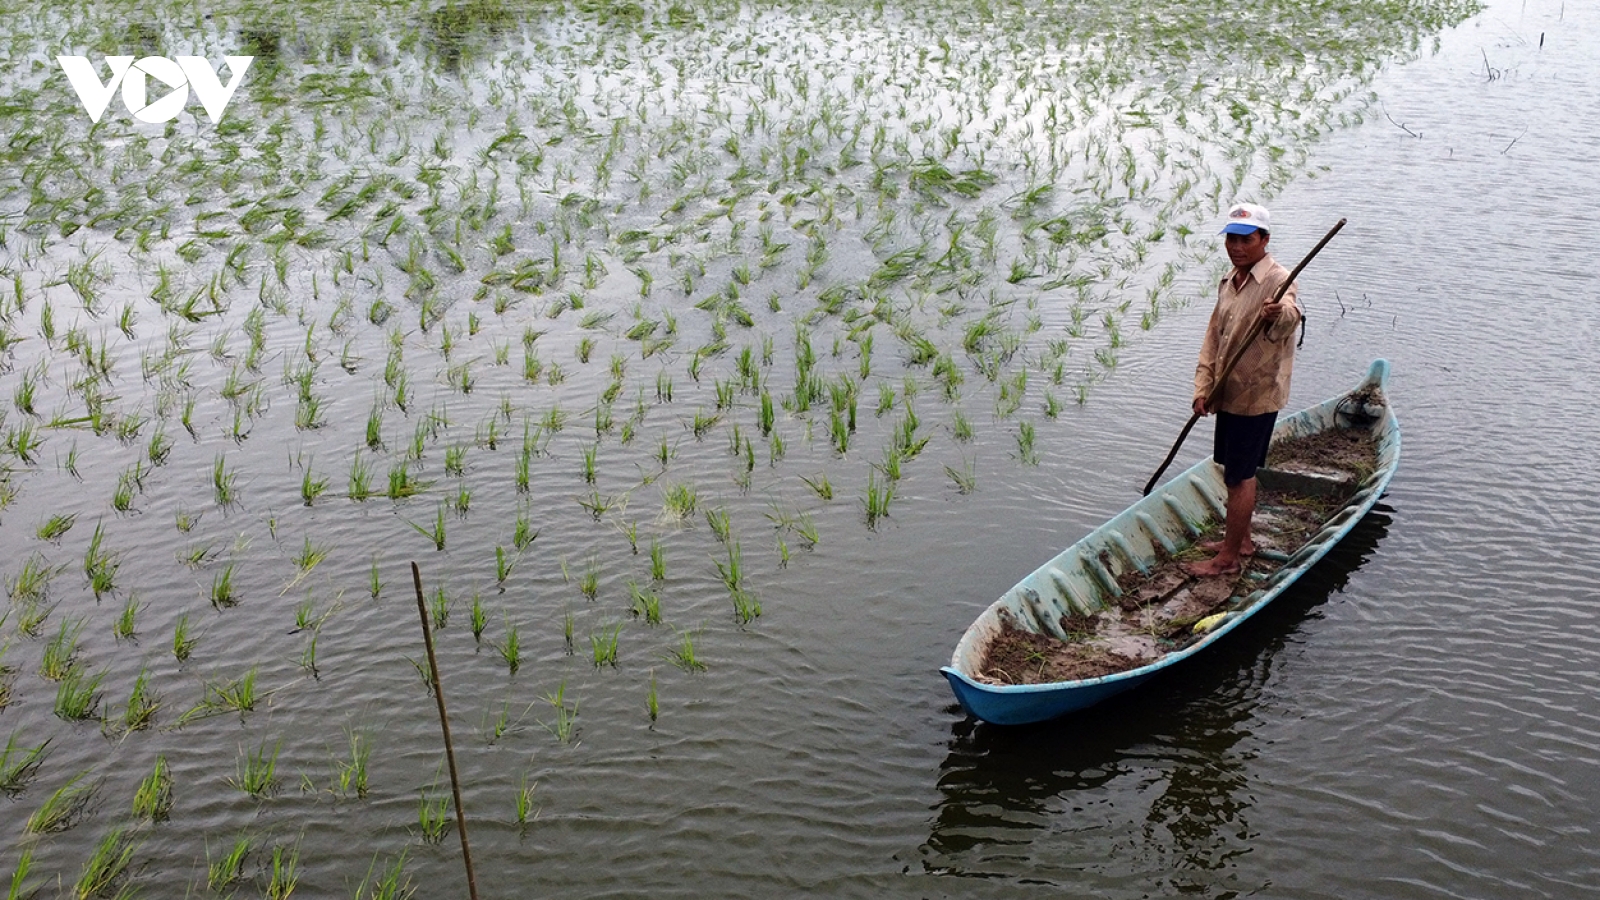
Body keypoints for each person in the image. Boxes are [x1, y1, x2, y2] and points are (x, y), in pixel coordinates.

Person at [1183, 202, 1302, 577]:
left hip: (1256, 396)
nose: (1236, 247)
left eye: (1246, 240)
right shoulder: (1230, 281)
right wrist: (1203, 388)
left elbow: (1290, 314)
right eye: (1231, 239)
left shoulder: (1278, 279)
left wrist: (1276, 313)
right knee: (1231, 468)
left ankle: (1228, 560)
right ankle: (1243, 541)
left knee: (1240, 475)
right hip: (1228, 392)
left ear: (1264, 240)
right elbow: (1213, 338)